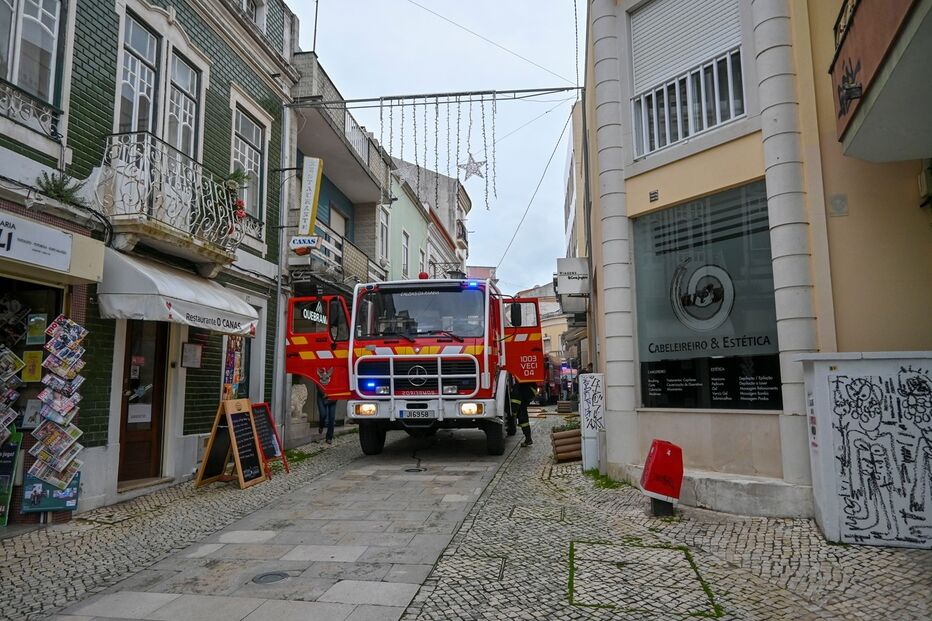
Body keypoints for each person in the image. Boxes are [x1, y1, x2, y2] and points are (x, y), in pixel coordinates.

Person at [511, 378, 537, 447]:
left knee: (522, 413)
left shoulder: (517, 387)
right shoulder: (519, 384)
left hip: (527, 390)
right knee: (522, 413)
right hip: (530, 390)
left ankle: (528, 439)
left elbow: (515, 400)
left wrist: (514, 412)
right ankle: (528, 439)